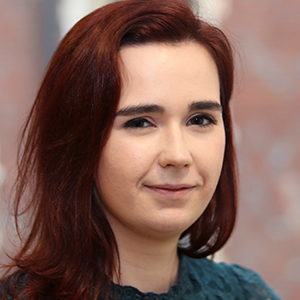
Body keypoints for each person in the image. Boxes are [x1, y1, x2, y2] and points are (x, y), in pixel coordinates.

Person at [0, 0, 281, 299]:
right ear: (78, 141)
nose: (178, 155)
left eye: (200, 119)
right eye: (140, 123)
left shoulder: (248, 293)